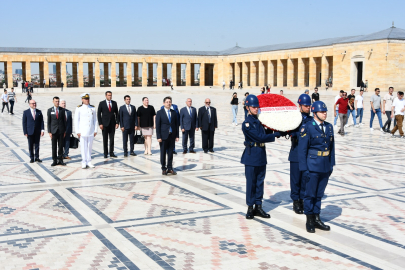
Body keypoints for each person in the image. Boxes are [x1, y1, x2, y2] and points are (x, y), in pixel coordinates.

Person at [242, 94, 287, 220]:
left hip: (261, 155)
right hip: (251, 156)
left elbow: (267, 131)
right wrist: (277, 134)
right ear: (247, 108)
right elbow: (260, 137)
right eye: (253, 107)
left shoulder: (261, 121)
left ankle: (258, 206)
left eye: (257, 107)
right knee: (251, 182)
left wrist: (280, 128)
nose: (256, 109)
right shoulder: (246, 124)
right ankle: (250, 207)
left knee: (260, 182)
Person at [299, 101, 335, 233]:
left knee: (319, 194)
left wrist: (331, 165)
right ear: (315, 113)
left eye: (325, 111)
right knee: (310, 194)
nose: (324, 114)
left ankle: (317, 217)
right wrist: (304, 169)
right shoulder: (307, 127)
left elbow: (332, 148)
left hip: (325, 165)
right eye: (322, 112)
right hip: (312, 166)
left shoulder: (329, 127)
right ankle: (309, 219)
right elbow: (302, 150)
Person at [288, 94, 313, 215]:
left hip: (307, 154)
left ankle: (302, 199)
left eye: (309, 105)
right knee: (295, 179)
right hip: (296, 152)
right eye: (306, 105)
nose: (308, 107)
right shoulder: (294, 118)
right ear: (300, 106)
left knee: (305, 179)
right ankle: (295, 200)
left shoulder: (312, 120)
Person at [156, 96, 179, 175]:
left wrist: (177, 135)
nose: (168, 103)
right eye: (167, 102)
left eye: (170, 102)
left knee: (170, 152)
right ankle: (163, 168)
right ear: (164, 103)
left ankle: (170, 168)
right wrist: (158, 136)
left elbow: (176, 125)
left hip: (172, 136)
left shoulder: (174, 112)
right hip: (163, 136)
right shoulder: (159, 112)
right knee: (163, 153)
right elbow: (158, 125)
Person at [75, 93, 97, 169]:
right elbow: (76, 120)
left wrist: (95, 130)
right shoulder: (79, 108)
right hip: (83, 131)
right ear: (82, 100)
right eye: (85, 99)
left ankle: (89, 161)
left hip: (91, 131)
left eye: (88, 99)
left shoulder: (92, 108)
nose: (87, 100)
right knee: (83, 147)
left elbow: (95, 120)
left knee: (89, 147)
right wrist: (77, 131)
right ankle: (84, 161)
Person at [97, 91, 119, 158]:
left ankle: (111, 152)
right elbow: (98, 114)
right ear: (106, 96)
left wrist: (117, 122)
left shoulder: (114, 103)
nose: (110, 96)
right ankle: (105, 153)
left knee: (112, 139)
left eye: (110, 95)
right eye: (108, 95)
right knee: (105, 139)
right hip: (104, 124)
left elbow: (117, 113)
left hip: (112, 124)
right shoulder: (101, 103)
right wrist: (100, 123)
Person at [47, 97, 67, 166]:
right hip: (53, 131)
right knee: (54, 146)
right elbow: (49, 122)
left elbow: (64, 121)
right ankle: (54, 160)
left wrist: (64, 131)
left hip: (61, 131)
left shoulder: (62, 110)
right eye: (56, 101)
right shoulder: (50, 110)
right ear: (53, 101)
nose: (57, 103)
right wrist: (49, 132)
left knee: (61, 146)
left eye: (58, 101)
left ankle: (60, 159)